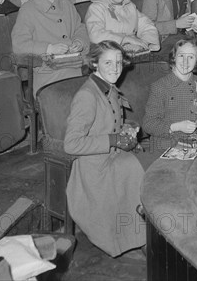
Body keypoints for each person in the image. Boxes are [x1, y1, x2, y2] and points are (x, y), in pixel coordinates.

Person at [64, 40, 145, 257]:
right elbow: (71, 144)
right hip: (94, 168)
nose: (115, 68)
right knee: (138, 167)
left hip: (110, 157)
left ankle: (139, 233)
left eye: (119, 62)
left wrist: (127, 129)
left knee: (145, 161)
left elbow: (108, 124)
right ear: (94, 64)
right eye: (108, 62)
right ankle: (131, 236)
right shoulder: (87, 95)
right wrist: (113, 140)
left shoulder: (107, 87)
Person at [11, 0, 90, 94]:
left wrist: (79, 42)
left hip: (75, 70)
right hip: (48, 76)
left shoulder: (67, 5)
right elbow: (19, 44)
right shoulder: (28, 9)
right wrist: (49, 48)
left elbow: (80, 29)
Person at [143, 38, 197, 149]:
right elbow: (148, 124)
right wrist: (176, 127)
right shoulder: (160, 86)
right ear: (174, 57)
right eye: (181, 56)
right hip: (166, 145)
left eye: (191, 57)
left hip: (195, 142)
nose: (185, 61)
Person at [85, 0, 160, 53]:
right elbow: (95, 35)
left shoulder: (130, 6)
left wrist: (143, 44)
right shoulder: (96, 8)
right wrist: (125, 39)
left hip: (133, 54)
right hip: (106, 56)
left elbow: (148, 27)